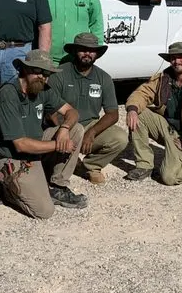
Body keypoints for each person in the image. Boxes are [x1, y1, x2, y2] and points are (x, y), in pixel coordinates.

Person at [0, 49, 89, 218]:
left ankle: (57, 186)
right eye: (37, 71)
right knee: (44, 211)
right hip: (13, 157)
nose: (42, 76)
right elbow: (20, 145)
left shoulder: (43, 89)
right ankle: (2, 186)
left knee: (76, 129)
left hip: (36, 149)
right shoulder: (8, 95)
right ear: (25, 70)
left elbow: (72, 112)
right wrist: (58, 145)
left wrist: (64, 129)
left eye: (46, 73)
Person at [123, 42, 182, 186]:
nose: (176, 61)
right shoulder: (164, 78)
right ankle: (144, 165)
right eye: (173, 57)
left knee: (169, 177)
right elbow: (142, 93)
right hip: (168, 129)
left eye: (181, 57)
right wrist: (132, 109)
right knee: (139, 115)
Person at [47, 32, 126, 184]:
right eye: (83, 49)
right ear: (75, 51)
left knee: (120, 138)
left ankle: (91, 166)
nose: (87, 54)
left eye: (91, 50)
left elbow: (113, 114)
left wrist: (92, 132)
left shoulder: (104, 78)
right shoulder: (59, 75)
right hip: (65, 125)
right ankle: (63, 170)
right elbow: (49, 110)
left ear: (97, 53)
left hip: (90, 124)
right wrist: (63, 131)